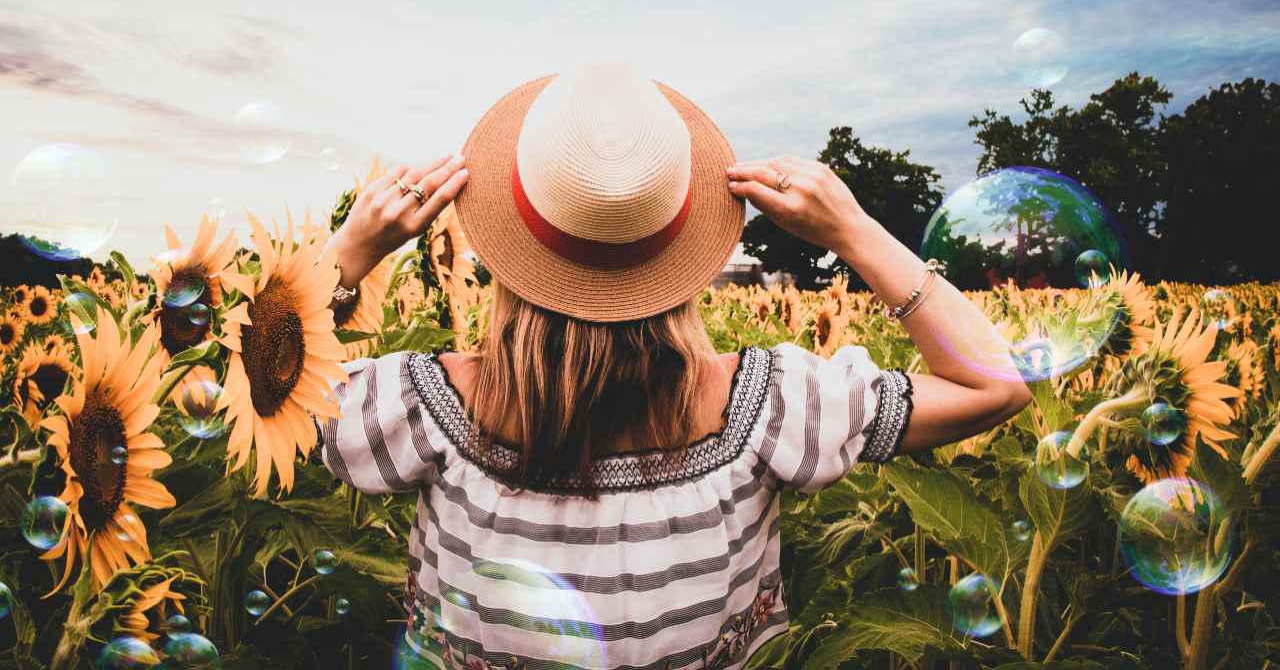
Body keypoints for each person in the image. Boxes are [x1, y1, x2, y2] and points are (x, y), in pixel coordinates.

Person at [314, 64, 1032, 669]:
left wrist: (344, 260)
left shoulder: (420, 407)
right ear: (681, 248)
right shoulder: (770, 406)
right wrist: (854, 230)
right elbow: (993, 384)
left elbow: (255, 390)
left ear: (510, 250)